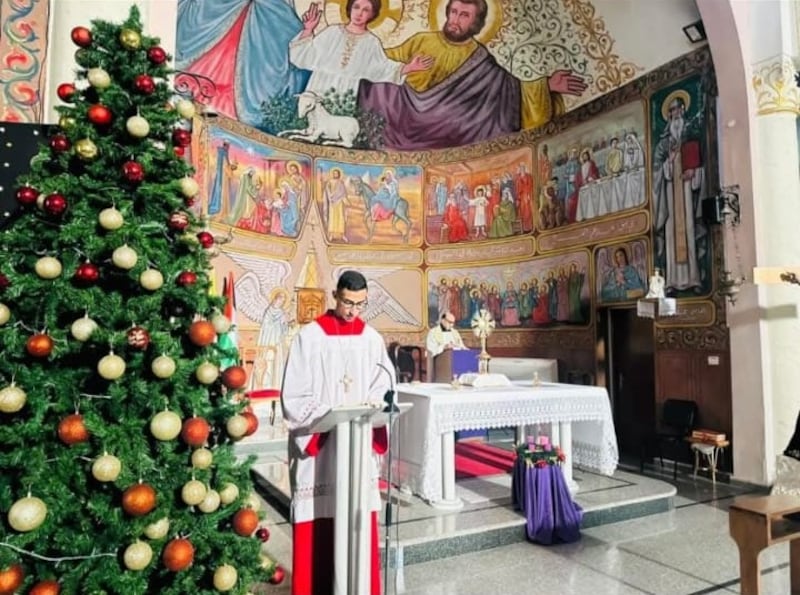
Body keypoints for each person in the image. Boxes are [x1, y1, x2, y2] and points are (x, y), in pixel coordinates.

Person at [281, 270, 395, 595]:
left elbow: (385, 385)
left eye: (360, 304)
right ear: (335, 296)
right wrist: (328, 417)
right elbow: (294, 394)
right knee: (319, 514)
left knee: (357, 512)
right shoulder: (310, 337)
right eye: (347, 302)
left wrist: (376, 403)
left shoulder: (372, 339)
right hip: (322, 449)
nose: (352, 311)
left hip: (356, 447)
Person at [358, 0, 587, 149]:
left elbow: (508, 91)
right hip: (405, 113)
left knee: (466, 117)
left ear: (476, 23)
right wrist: (354, 50)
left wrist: (546, 85)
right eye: (454, 12)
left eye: (464, 15)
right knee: (379, 89)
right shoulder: (423, 39)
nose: (455, 20)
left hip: (448, 129)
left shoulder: (479, 58)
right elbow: (383, 59)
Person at [289, 0, 433, 98]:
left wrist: (409, 67)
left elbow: (382, 68)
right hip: (318, 85)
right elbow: (304, 56)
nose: (359, 13)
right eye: (356, 7)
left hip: (347, 91)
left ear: (373, 14)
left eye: (366, 10)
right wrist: (308, 30)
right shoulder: (332, 31)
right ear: (349, 8)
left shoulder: (371, 42)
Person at [652, 91, 706, 293]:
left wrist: (695, 171)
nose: (674, 113)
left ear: (683, 109)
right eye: (671, 110)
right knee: (671, 235)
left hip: (686, 191)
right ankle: (672, 281)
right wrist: (669, 161)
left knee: (690, 231)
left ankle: (694, 279)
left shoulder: (691, 132)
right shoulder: (664, 142)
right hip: (670, 193)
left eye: (677, 108)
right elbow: (657, 170)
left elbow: (703, 160)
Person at [324, 168, 348, 242]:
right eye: (334, 173)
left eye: (337, 173)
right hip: (332, 203)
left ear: (339, 174)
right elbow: (327, 191)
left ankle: (342, 234)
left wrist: (344, 200)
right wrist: (330, 196)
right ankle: (331, 234)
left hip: (340, 202)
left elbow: (343, 193)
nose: (335, 174)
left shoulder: (341, 183)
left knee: (341, 217)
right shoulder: (329, 182)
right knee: (332, 218)